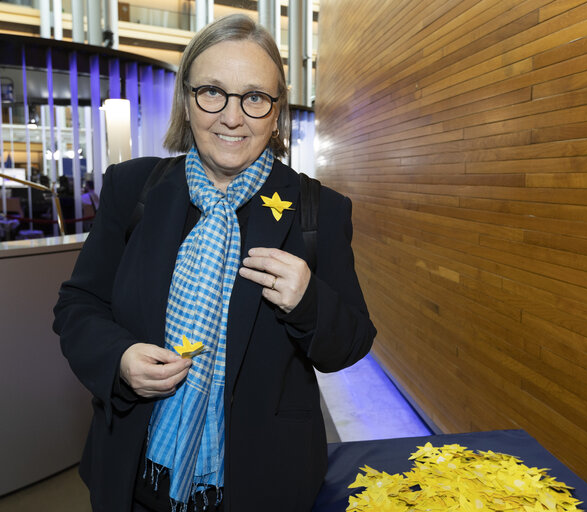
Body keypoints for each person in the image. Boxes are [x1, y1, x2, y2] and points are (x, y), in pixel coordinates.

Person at [53, 14, 376, 512]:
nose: (231, 116)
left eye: (254, 97)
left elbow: (351, 342)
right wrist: (119, 358)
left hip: (262, 482)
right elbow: (78, 305)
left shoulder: (319, 211)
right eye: (212, 92)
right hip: (134, 474)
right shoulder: (132, 189)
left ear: (275, 113)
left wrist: (309, 301)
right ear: (187, 99)